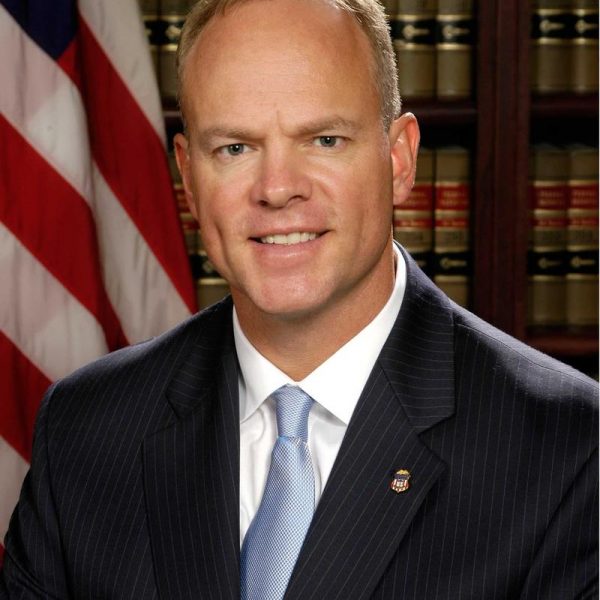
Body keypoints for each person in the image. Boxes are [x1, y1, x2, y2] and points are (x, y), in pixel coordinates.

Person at [1, 0, 597, 598]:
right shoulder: (83, 431)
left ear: (399, 160)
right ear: (188, 176)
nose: (277, 189)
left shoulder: (568, 449)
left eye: (324, 139)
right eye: (235, 148)